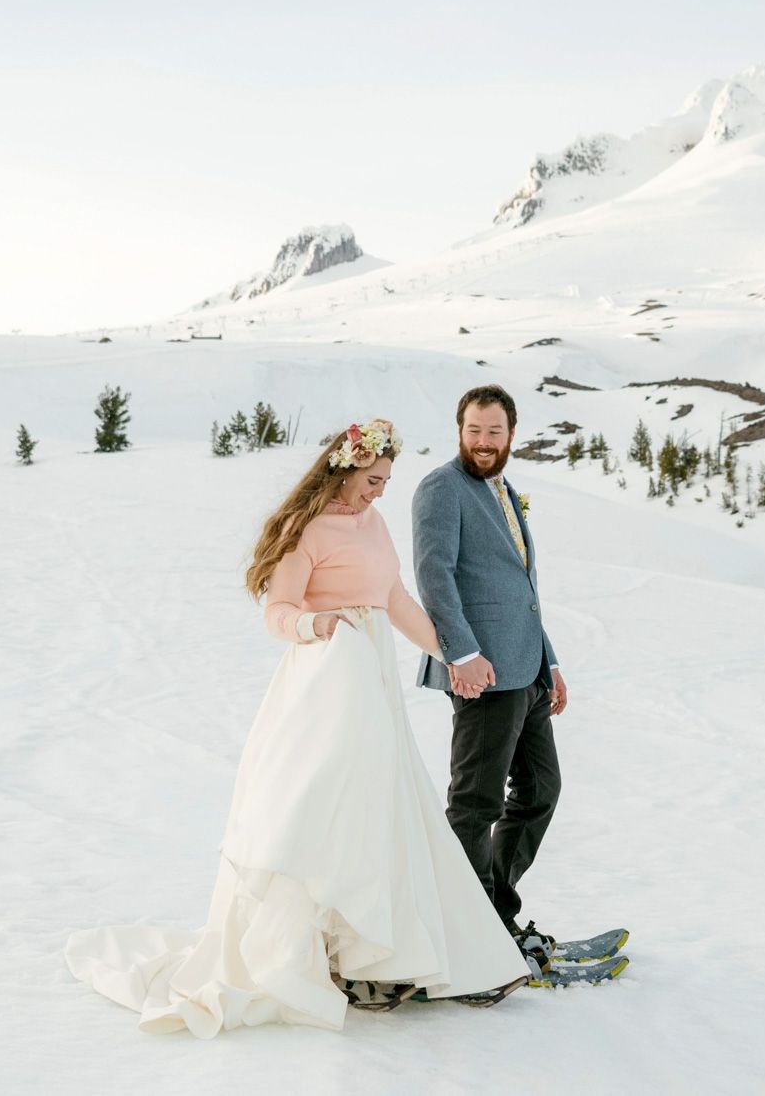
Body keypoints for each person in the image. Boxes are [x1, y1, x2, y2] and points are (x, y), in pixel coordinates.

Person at [65, 419, 530, 1037]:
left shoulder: (376, 525)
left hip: (374, 682)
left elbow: (395, 600)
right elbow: (277, 611)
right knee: (320, 806)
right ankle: (322, 953)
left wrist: (451, 654)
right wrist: (317, 626)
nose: (379, 492)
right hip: (326, 680)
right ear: (344, 470)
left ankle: (376, 958)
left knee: (377, 807)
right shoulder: (306, 530)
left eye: (387, 481)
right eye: (372, 480)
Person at [412, 386, 568, 968]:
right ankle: (468, 932)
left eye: (494, 432)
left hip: (526, 672)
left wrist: (549, 662)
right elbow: (435, 578)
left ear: (510, 434)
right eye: (475, 430)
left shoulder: (502, 489)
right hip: (481, 674)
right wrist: (462, 654)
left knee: (539, 792)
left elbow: (524, 591)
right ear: (460, 429)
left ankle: (491, 912)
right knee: (475, 805)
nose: (483, 442)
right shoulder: (440, 489)